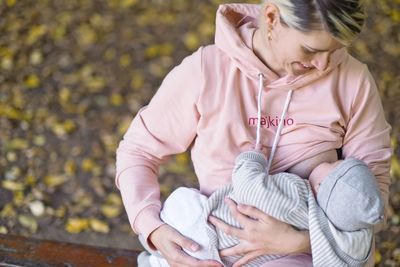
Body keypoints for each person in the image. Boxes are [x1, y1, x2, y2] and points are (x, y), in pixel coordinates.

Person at [115, 1, 392, 266]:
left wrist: (302, 241)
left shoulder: (353, 81)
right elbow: (139, 151)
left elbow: (370, 200)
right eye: (310, 50)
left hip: (309, 257)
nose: (322, 64)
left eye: (335, 50)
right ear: (271, 18)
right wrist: (153, 229)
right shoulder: (206, 70)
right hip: (213, 246)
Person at [141, 149, 384, 267]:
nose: (330, 160)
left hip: (205, 224)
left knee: (184, 202)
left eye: (333, 163)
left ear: (322, 186)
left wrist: (251, 159)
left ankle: (156, 250)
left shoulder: (298, 194)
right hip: (225, 258)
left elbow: (251, 189)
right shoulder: (326, 233)